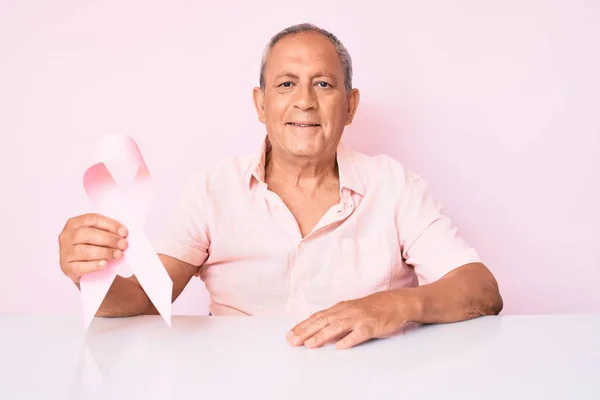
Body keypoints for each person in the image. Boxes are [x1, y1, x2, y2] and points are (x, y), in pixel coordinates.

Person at [58, 23, 503, 349]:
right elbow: (144, 297)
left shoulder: (394, 185)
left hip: (368, 384)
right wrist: (89, 275)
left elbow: (481, 290)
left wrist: (394, 306)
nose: (304, 101)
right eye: (286, 84)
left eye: (324, 85)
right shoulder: (213, 188)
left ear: (349, 106)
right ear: (261, 103)